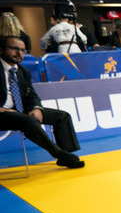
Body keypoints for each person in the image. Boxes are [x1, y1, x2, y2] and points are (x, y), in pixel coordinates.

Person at [0, 36, 85, 168]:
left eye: (23, 50)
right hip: (2, 114)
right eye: (15, 49)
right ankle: (59, 154)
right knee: (29, 121)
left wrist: (36, 107)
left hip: (18, 111)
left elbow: (31, 94)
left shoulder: (23, 71)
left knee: (62, 116)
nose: (19, 53)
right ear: (1, 50)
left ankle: (67, 156)